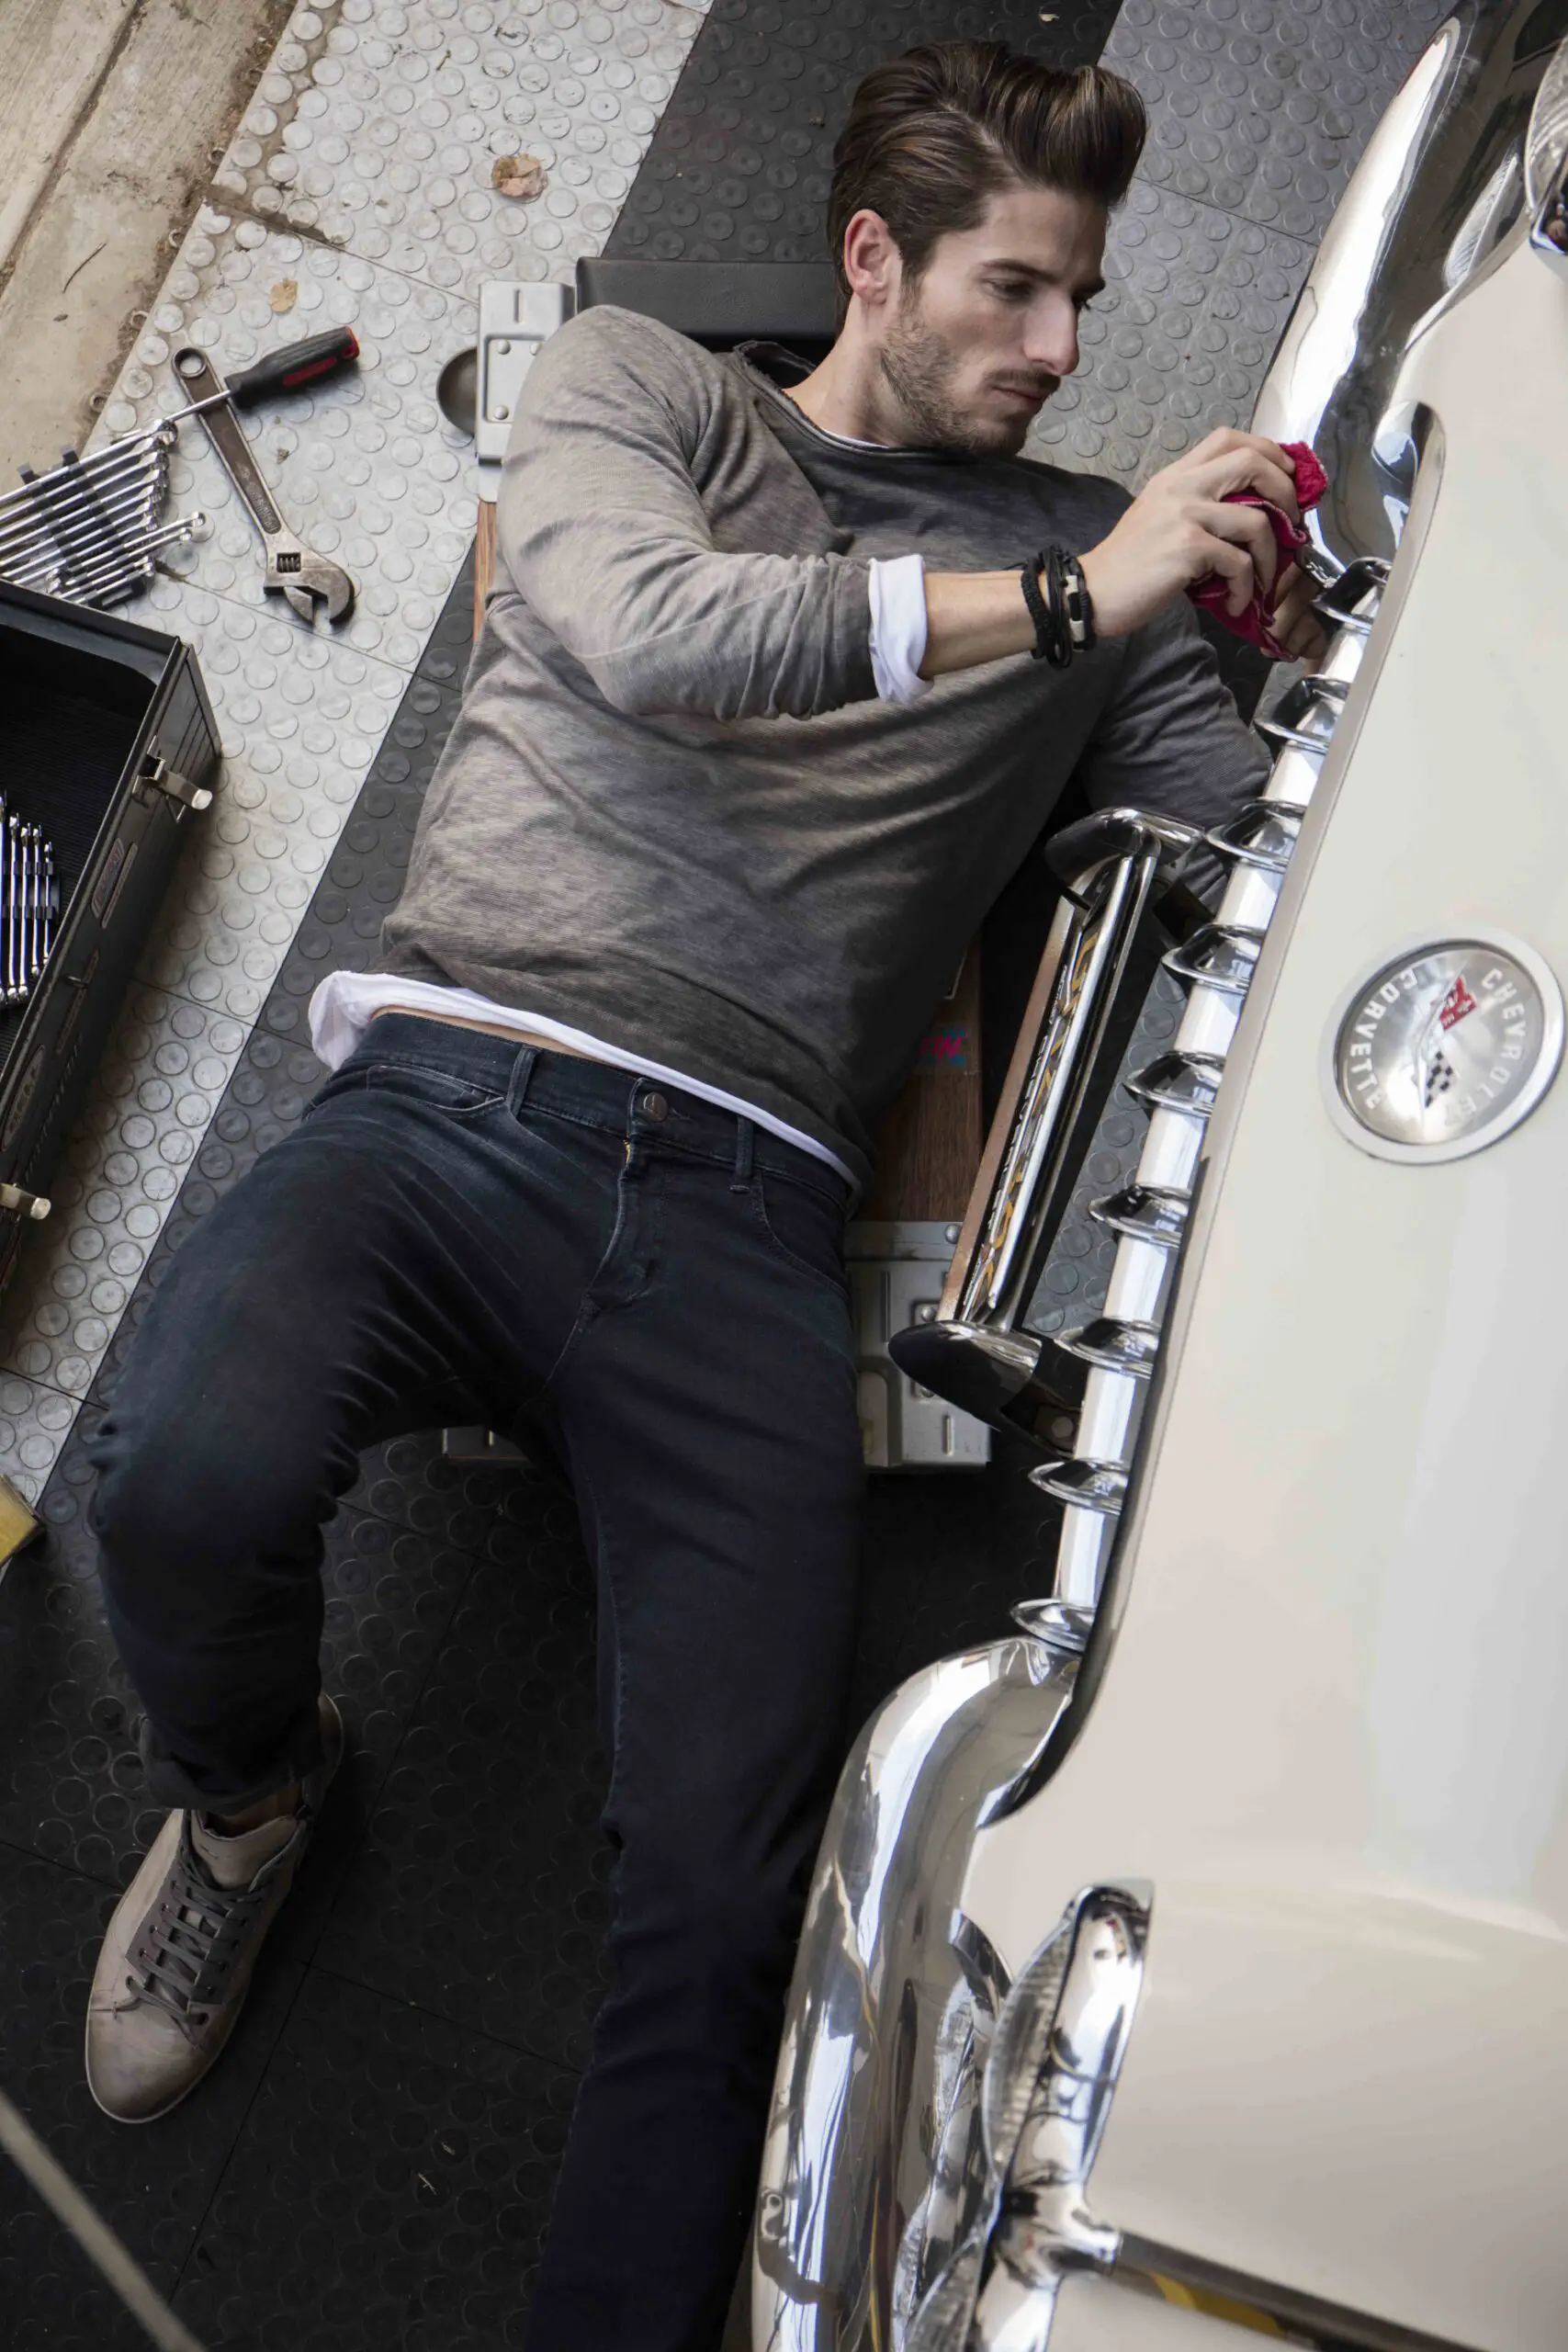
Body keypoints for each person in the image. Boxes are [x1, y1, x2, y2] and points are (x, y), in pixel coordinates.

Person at [81, 36, 1323, 2352]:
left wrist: (1266, 635)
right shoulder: (636, 385)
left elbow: (1244, 849)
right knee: (172, 1483)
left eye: (1083, 298)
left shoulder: (1094, 552)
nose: (1066, 351)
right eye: (1018, 292)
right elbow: (662, 635)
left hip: (746, 1219)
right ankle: (248, 1799)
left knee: (743, 1899)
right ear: (873, 261)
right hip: (449, 1090)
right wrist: (1078, 599)